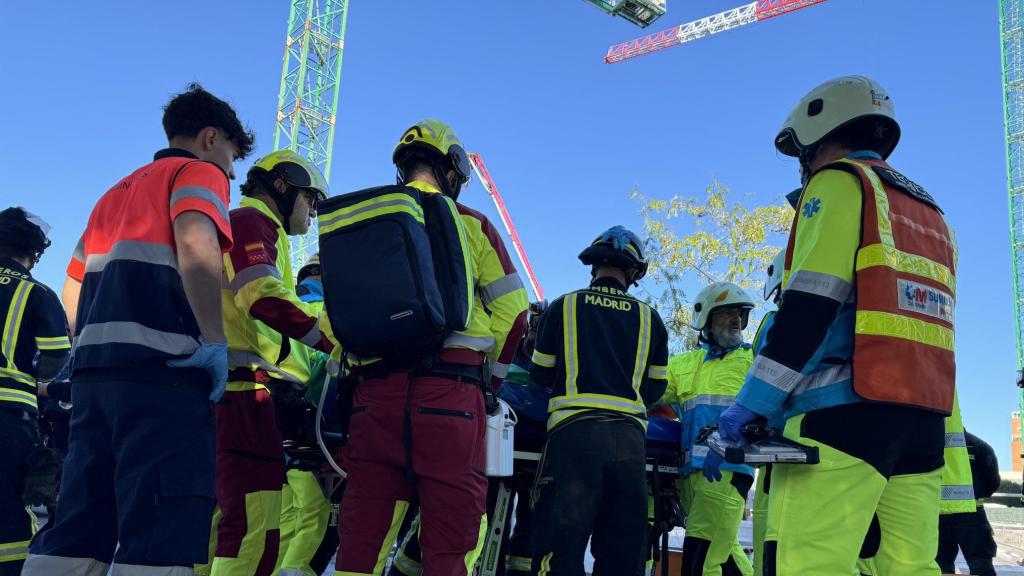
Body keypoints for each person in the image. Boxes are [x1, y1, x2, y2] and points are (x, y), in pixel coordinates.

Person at [710, 75, 956, 574]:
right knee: (911, 567)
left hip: (842, 417)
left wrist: (751, 405)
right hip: (924, 424)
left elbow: (808, 311)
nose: (804, 169)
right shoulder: (933, 215)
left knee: (808, 564)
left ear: (817, 133)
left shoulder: (841, 182)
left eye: (803, 155)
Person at [24, 83, 254, 575]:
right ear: (211, 137)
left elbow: (73, 283)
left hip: (94, 380)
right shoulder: (198, 172)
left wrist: (86, 352)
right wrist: (214, 340)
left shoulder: (116, 192)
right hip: (163, 376)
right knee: (161, 530)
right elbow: (196, 241)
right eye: (232, 158)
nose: (232, 172)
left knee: (79, 525)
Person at [333, 119, 529, 576]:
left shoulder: (363, 225)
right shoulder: (472, 224)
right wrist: (492, 383)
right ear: (453, 170)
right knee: (449, 544)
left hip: (373, 401)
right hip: (452, 398)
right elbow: (515, 313)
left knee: (361, 544)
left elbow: (335, 317)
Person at [201, 150, 333, 576]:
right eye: (310, 199)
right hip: (244, 395)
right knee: (254, 526)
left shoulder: (254, 230)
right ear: (283, 185)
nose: (312, 210)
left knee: (223, 525)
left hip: (231, 394)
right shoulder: (253, 223)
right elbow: (264, 297)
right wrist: (334, 343)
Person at [528, 226, 669, 576]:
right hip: (630, 445)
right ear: (633, 272)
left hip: (573, 438)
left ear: (593, 267)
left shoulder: (564, 306)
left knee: (561, 548)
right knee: (623, 552)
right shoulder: (652, 319)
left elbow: (539, 373)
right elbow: (655, 391)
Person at [660, 281, 755, 576]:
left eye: (739, 313)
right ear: (706, 321)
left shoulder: (754, 360)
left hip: (729, 468)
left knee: (699, 564)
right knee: (725, 557)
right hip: (690, 475)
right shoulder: (682, 364)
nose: (736, 319)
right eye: (726, 312)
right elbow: (648, 393)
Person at [0, 208, 70, 576]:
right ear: (34, 252)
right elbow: (57, 354)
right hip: (10, 415)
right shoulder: (36, 293)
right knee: (9, 511)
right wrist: (41, 381)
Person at [274, 251, 337, 576]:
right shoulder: (326, 316)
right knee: (313, 514)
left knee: (278, 518)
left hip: (261, 421)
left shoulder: (277, 308)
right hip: (305, 433)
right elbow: (327, 377)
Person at [935, 430, 1001, 576]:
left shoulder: (929, 443)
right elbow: (992, 482)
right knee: (981, 566)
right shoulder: (979, 446)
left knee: (940, 566)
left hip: (937, 514)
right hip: (971, 514)